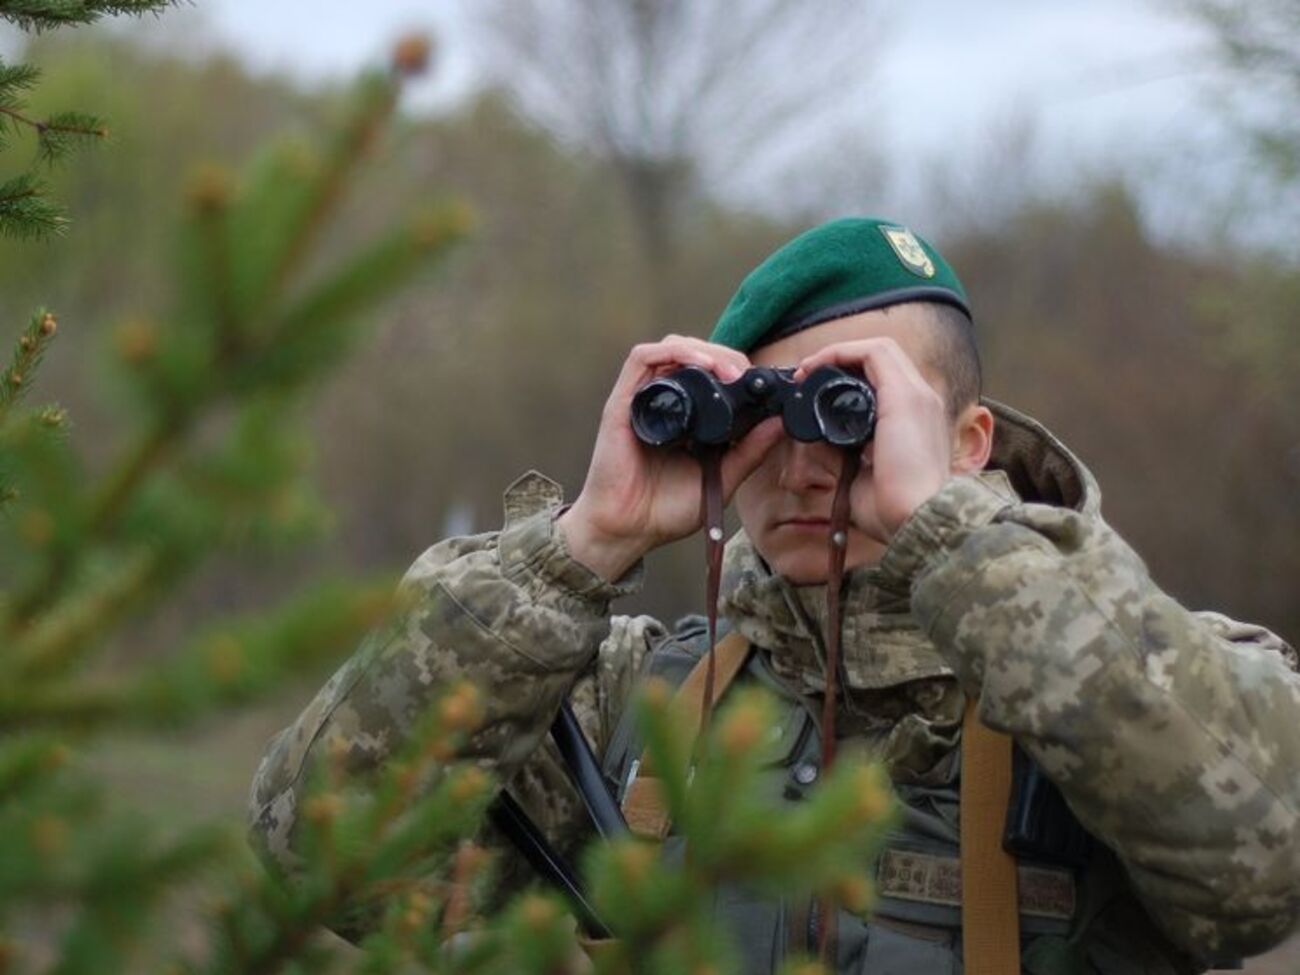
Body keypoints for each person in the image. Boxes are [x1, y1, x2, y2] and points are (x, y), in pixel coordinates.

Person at [248, 218, 1300, 972]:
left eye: (847, 412)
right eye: (761, 415)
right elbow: (317, 855)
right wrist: (581, 547)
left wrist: (952, 532)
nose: (800, 466)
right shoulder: (636, 704)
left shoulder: (1148, 687)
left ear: (967, 441)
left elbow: (1266, 873)